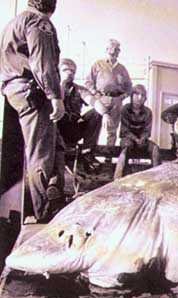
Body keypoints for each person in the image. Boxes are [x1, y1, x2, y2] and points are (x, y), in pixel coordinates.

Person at [0, 0, 66, 222]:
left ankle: (45, 201)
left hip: (14, 92)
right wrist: (55, 96)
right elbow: (43, 62)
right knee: (41, 154)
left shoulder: (13, 23)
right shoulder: (39, 21)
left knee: (52, 147)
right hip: (32, 92)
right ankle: (45, 213)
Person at [85, 39, 132, 147]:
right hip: (101, 98)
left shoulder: (122, 69)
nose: (115, 51)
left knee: (112, 129)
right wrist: (94, 93)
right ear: (107, 49)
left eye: (117, 49)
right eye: (113, 48)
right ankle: (90, 152)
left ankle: (108, 156)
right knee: (95, 124)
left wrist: (123, 96)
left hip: (116, 100)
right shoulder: (98, 64)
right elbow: (88, 82)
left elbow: (129, 86)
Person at [57, 58, 101, 171]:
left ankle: (87, 152)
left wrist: (101, 108)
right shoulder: (52, 89)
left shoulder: (79, 89)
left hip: (73, 128)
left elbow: (89, 98)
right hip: (57, 130)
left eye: (73, 71)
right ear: (58, 71)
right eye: (66, 70)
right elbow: (55, 100)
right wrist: (62, 83)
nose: (70, 73)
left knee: (96, 114)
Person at [114, 84, 161, 179]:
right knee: (126, 148)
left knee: (155, 148)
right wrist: (135, 139)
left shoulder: (148, 112)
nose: (140, 98)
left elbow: (147, 131)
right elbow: (124, 130)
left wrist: (142, 138)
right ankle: (118, 177)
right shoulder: (125, 109)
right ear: (132, 96)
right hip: (128, 139)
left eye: (142, 95)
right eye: (137, 94)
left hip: (142, 141)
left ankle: (157, 177)